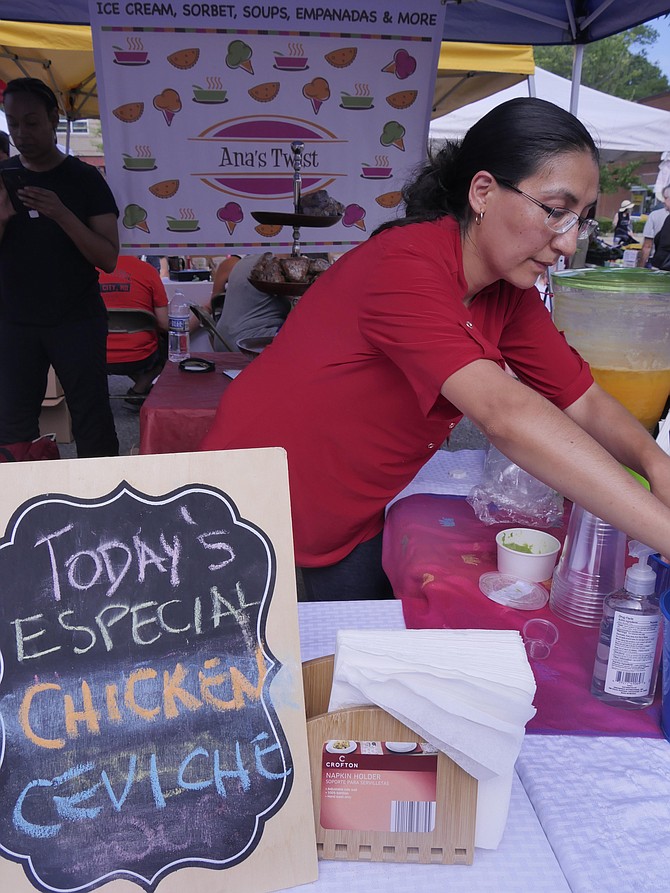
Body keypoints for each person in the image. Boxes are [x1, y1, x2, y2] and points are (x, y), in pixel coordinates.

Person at [201, 97, 670, 601]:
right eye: (556, 212)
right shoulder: (403, 264)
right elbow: (505, 412)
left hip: (349, 523)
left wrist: (655, 462)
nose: (568, 243)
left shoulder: (508, 291)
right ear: (484, 192)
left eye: (581, 220)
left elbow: (583, 398)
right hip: (242, 517)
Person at [0, 77, 120, 457]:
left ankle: (105, 506)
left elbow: (108, 258)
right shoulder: (2, 179)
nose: (21, 133)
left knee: (92, 419)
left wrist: (62, 214)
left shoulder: (84, 179)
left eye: (32, 122)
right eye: (12, 122)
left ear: (54, 118)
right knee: (11, 425)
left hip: (76, 319)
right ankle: (22, 507)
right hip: (13, 321)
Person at [99, 255, 169, 403]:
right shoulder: (147, 271)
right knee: (168, 343)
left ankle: (138, 388)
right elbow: (164, 324)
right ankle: (139, 389)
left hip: (95, 354)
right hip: (140, 355)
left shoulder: (87, 269)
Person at [213, 254, 291, 352]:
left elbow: (214, 301)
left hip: (222, 338)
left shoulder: (240, 262)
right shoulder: (275, 265)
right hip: (249, 341)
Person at [640, 185, 670, 269]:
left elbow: (647, 246)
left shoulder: (655, 215)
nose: (663, 201)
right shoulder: (667, 218)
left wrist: (641, 267)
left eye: (666, 198)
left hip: (663, 270)